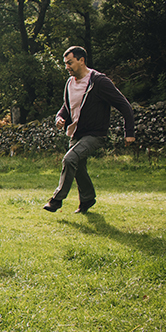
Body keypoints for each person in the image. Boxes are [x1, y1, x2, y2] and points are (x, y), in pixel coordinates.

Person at [44, 46, 135, 214]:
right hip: (76, 133)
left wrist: (129, 132)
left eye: (70, 63)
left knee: (70, 159)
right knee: (78, 168)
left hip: (95, 133)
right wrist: (60, 117)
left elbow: (124, 105)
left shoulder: (98, 82)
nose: (67, 67)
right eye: (65, 63)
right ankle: (87, 199)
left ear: (81, 60)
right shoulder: (70, 83)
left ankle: (56, 200)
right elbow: (66, 105)